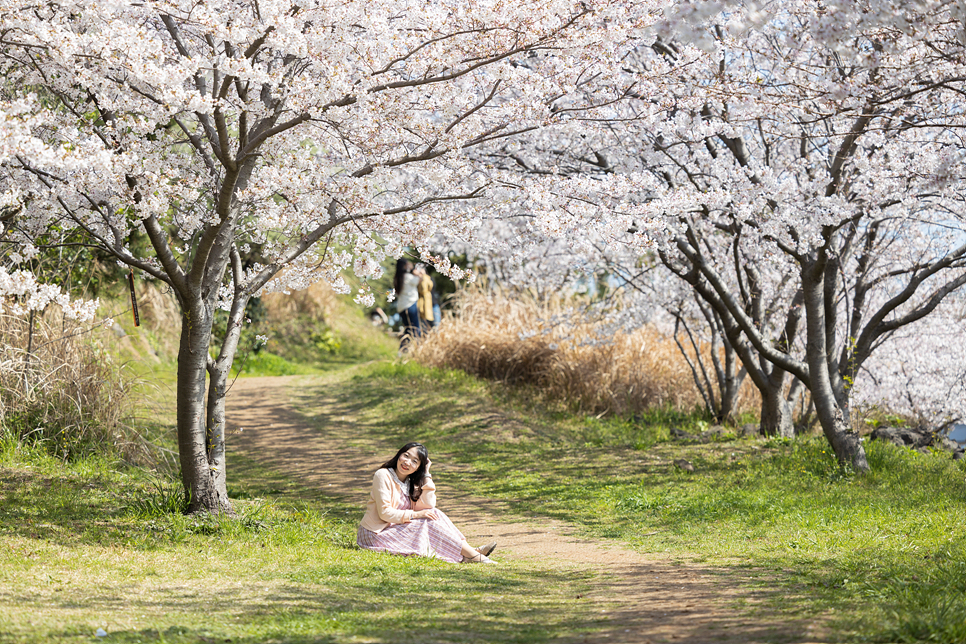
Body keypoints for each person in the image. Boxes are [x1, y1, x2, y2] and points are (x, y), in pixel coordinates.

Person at [357, 442, 498, 564]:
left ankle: (469, 553)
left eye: (415, 461)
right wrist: (416, 515)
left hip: (397, 529)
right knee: (425, 520)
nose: (407, 462)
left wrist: (426, 474)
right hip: (376, 534)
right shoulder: (383, 475)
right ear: (399, 455)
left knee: (434, 514)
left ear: (418, 467)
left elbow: (429, 506)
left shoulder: (410, 482)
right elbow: (385, 513)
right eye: (406, 455)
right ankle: (475, 555)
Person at [393, 259, 421, 350]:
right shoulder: (408, 277)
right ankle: (417, 350)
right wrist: (418, 273)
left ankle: (402, 351)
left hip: (401, 307)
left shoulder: (398, 278)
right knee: (416, 330)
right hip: (410, 305)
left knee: (408, 330)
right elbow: (420, 279)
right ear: (404, 266)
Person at [415, 263, 435, 328]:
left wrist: (424, 276)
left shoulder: (428, 278)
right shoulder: (417, 279)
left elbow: (430, 286)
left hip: (428, 304)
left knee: (430, 324)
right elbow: (422, 290)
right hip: (420, 304)